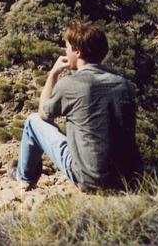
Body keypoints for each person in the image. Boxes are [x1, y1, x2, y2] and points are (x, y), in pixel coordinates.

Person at [14, 20, 142, 191]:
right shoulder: (125, 85)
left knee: (32, 121)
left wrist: (53, 74)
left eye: (67, 47)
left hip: (89, 179)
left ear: (77, 52)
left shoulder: (71, 84)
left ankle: (24, 180)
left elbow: (44, 113)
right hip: (130, 179)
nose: (65, 51)